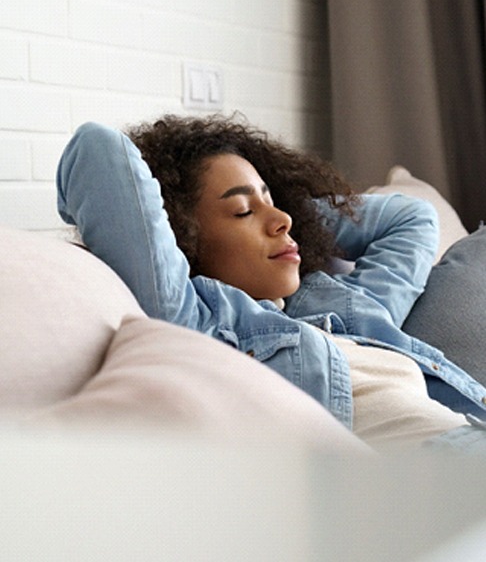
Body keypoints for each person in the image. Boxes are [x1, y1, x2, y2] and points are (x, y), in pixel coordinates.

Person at [56, 115, 486, 454]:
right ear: (182, 239)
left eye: (273, 202)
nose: (283, 221)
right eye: (242, 211)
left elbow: (412, 219)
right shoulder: (200, 319)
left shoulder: (348, 309)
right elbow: (98, 150)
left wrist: (282, 208)